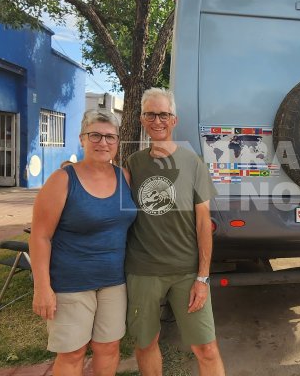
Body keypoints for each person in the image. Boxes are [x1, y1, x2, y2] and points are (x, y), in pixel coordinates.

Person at [29, 110, 137, 376]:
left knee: (109, 347)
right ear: (82, 139)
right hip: (71, 283)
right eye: (95, 135)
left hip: (114, 281)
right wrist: (42, 287)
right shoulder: (63, 180)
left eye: (110, 137)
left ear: (118, 142)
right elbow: (40, 236)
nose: (103, 142)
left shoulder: (124, 177)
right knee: (73, 352)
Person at [126, 87, 225, 376]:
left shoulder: (193, 163)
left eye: (164, 114)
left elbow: (203, 223)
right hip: (143, 270)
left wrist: (203, 277)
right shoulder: (133, 163)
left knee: (206, 348)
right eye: (151, 114)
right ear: (142, 119)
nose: (158, 120)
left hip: (186, 272)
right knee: (146, 343)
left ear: (174, 119)